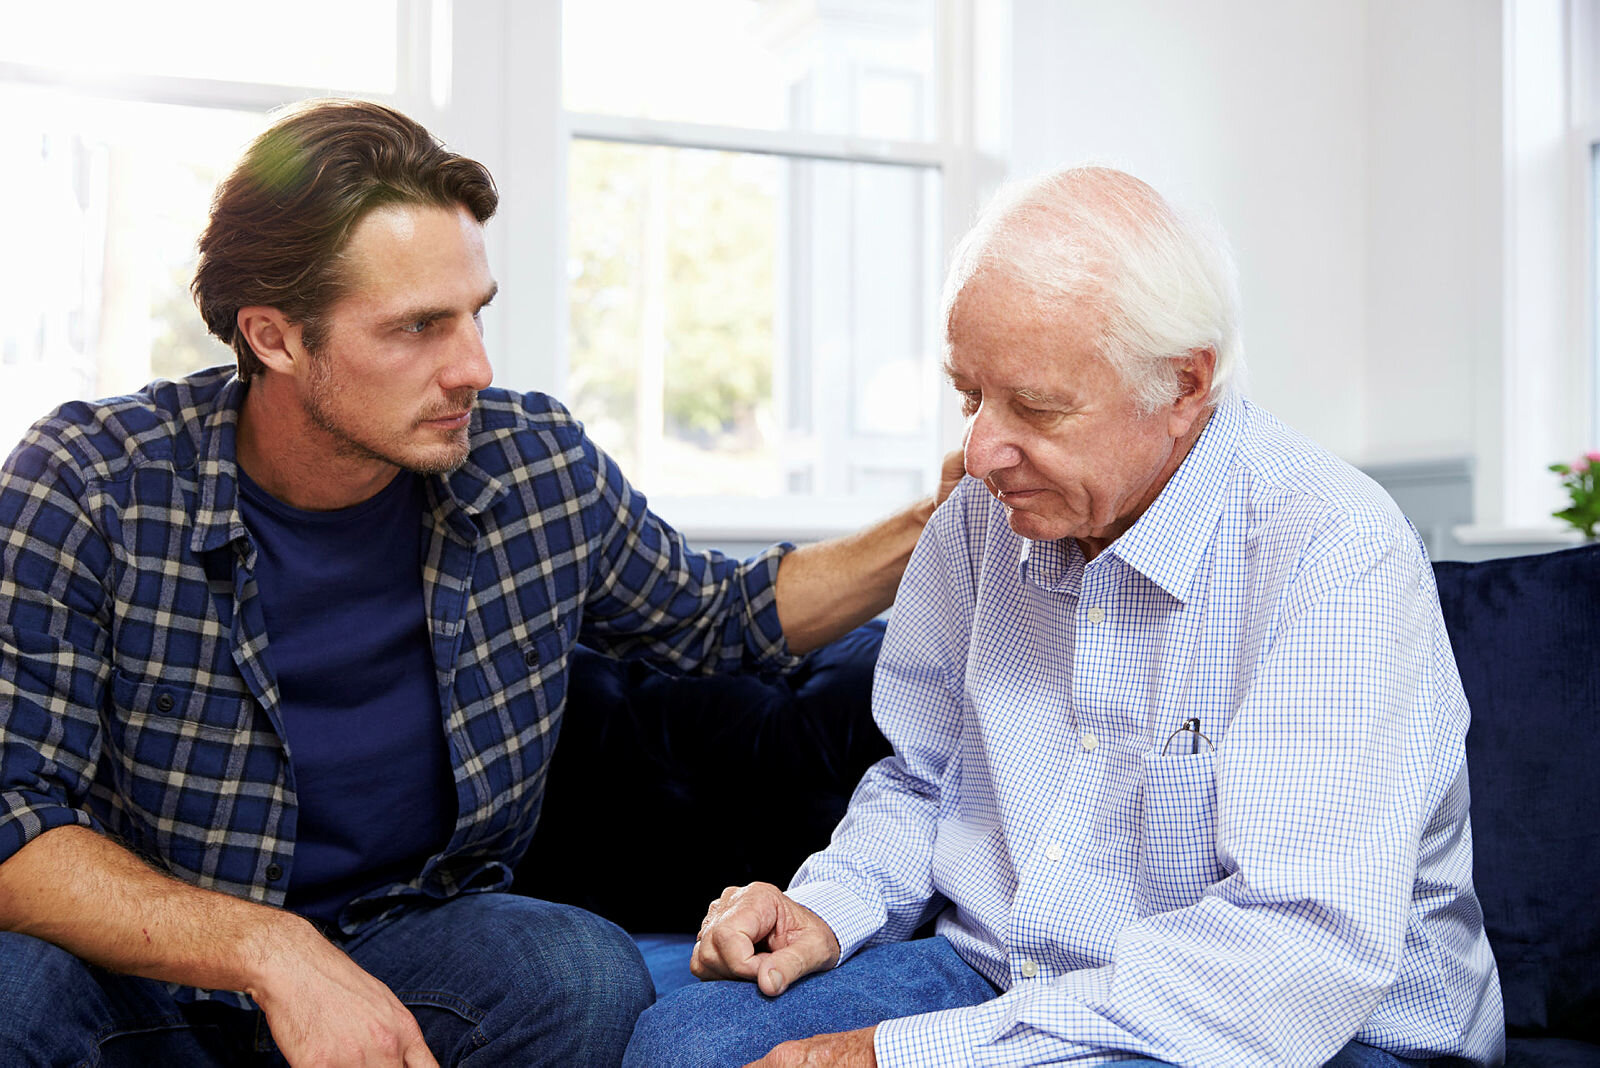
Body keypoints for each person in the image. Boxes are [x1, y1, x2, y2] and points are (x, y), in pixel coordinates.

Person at [0, 98, 958, 1067]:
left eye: (473, 314)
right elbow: (11, 816)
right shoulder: (92, 482)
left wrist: (941, 519)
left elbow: (722, 618)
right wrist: (268, 951)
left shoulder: (528, 466)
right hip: (146, 963)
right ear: (275, 338)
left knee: (573, 969)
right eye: (418, 327)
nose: (473, 367)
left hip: (401, 944)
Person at [625, 167, 1505, 1067]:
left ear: (1183, 386)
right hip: (1007, 971)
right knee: (688, 1047)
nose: (981, 451)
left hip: (1297, 1025)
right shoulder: (982, 514)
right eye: (970, 396)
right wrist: (830, 907)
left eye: (1036, 407)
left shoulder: (1332, 551)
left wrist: (895, 1054)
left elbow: (1289, 958)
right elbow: (927, 781)